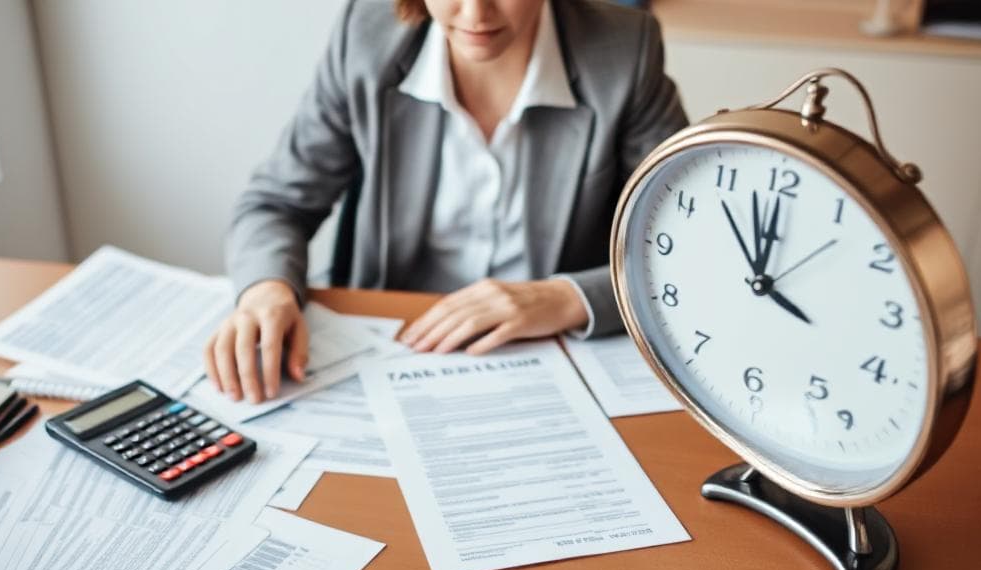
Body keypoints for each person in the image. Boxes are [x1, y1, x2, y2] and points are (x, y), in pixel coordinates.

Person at [205, 0, 687, 403]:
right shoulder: (366, 34)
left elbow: (686, 245)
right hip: (392, 353)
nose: (476, 14)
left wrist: (566, 298)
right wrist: (266, 290)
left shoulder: (626, 51)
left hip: (549, 358)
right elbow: (276, 204)